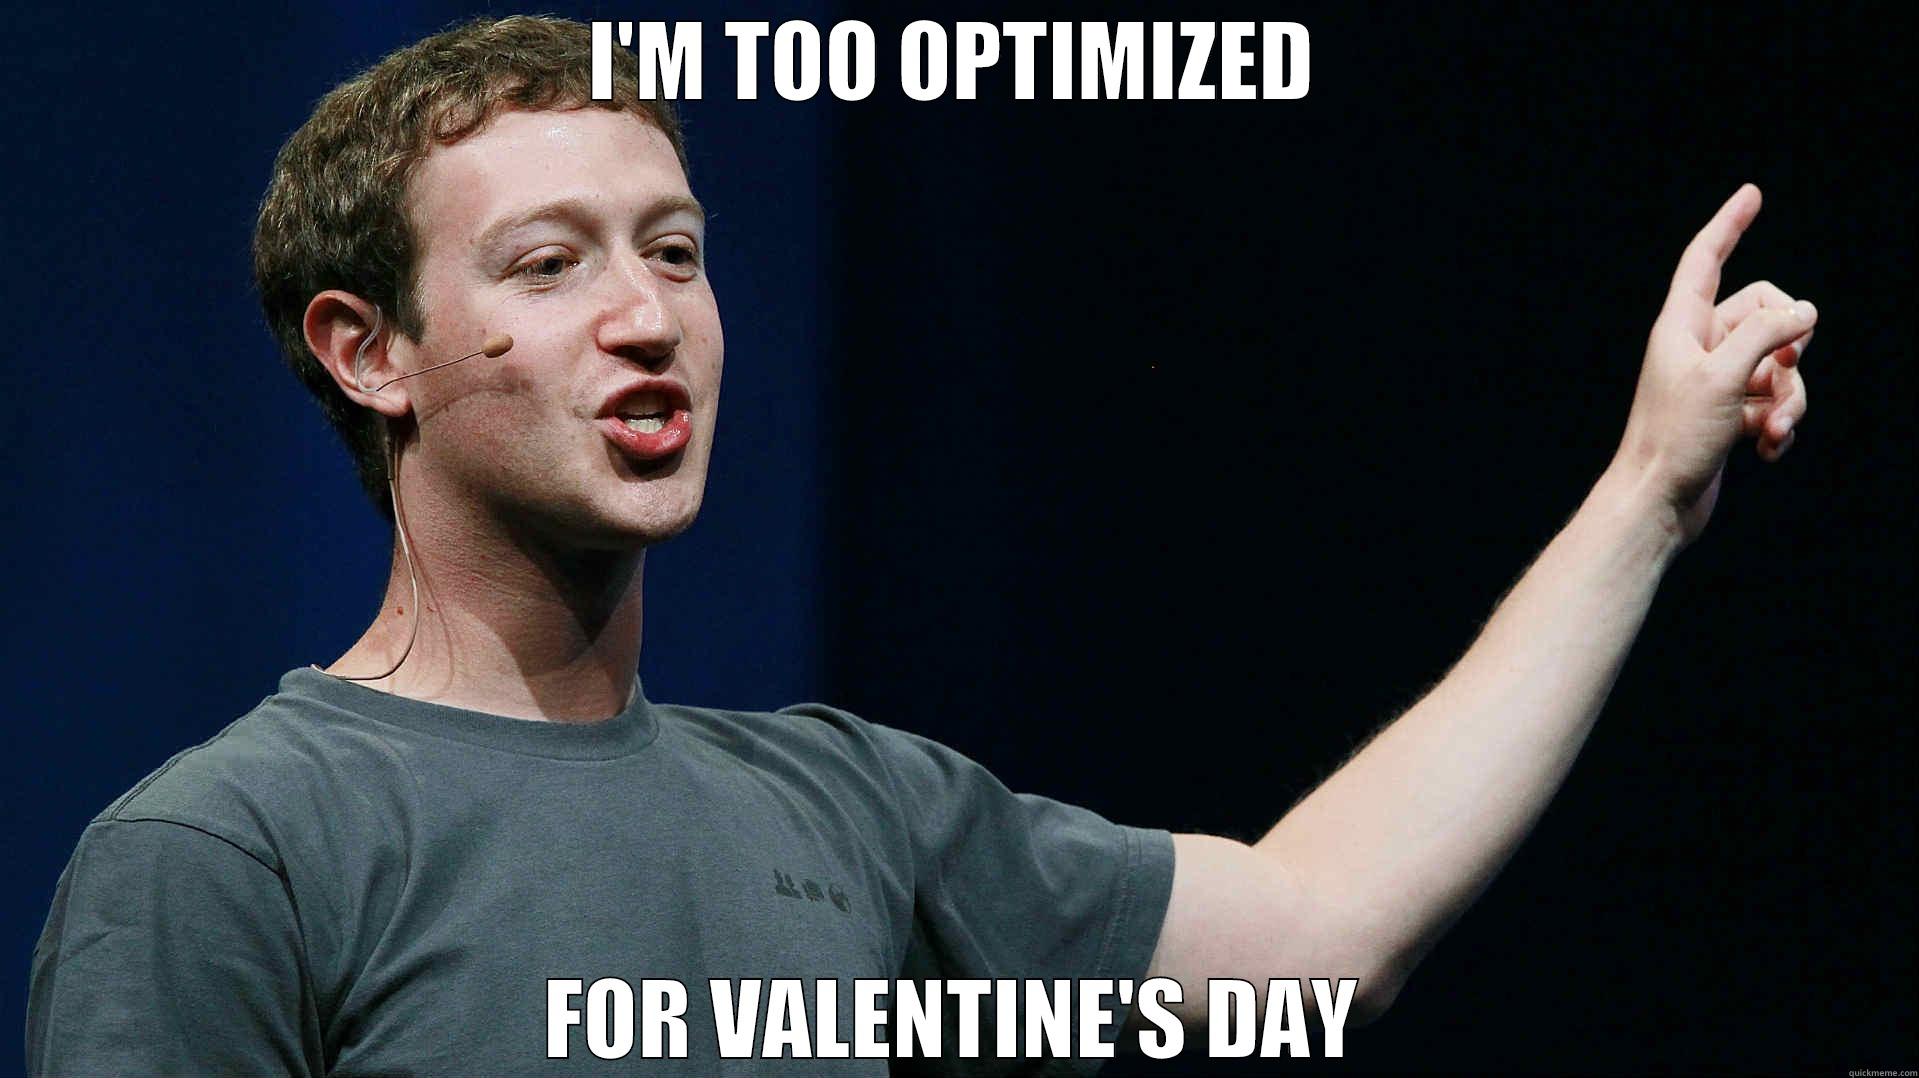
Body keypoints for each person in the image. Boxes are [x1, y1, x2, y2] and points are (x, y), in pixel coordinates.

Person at [24, 14, 1815, 1077]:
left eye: (676, 250)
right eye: (551, 264)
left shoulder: (850, 807)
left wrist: (1649, 491)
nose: (649, 316)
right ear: (370, 351)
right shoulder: (228, 850)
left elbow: (1315, 939)